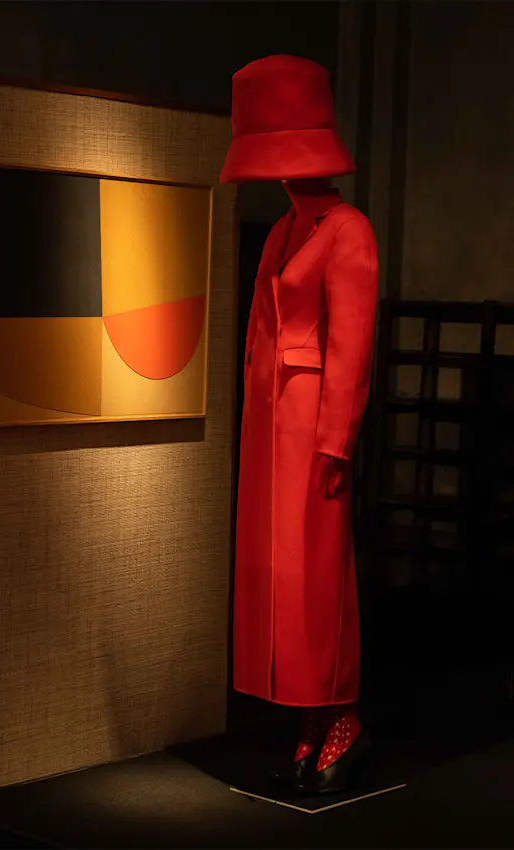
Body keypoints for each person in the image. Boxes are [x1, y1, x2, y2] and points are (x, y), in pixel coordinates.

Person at [220, 55, 379, 795]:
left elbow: (351, 346)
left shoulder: (348, 231)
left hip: (312, 427)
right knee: (280, 575)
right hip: (270, 429)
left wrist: (335, 439)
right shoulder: (286, 229)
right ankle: (309, 715)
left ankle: (342, 714)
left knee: (318, 575)